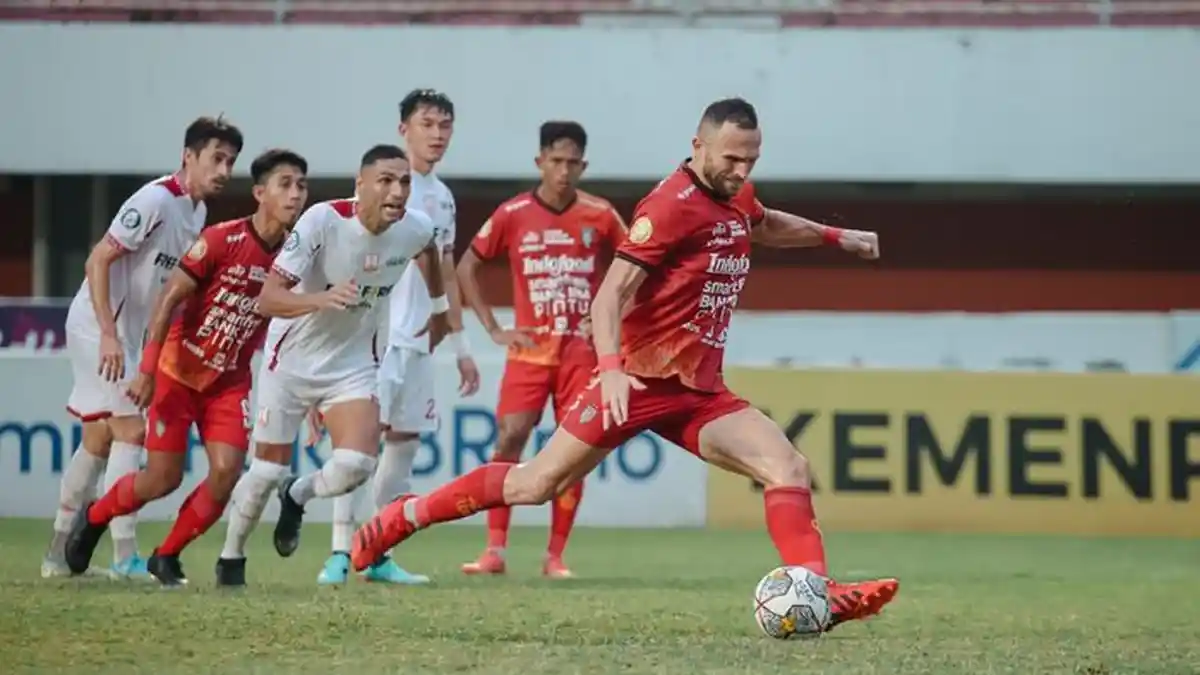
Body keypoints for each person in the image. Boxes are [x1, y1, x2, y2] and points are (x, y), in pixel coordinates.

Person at [350, 98, 900, 630]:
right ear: (698, 146)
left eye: (750, 160)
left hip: (698, 392)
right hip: (634, 383)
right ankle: (404, 516)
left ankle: (815, 591)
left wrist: (835, 236)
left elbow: (761, 221)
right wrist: (610, 368)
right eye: (730, 158)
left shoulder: (736, 193)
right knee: (533, 483)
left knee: (790, 468)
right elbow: (609, 297)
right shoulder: (668, 207)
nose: (740, 170)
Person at [62, 149, 309, 586]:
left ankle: (167, 554)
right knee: (162, 479)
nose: (295, 194)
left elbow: (296, 327)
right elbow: (168, 301)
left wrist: (313, 398)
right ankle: (95, 516)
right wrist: (148, 370)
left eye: (301, 186)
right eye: (285, 184)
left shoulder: (296, 259)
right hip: (178, 372)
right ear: (259, 193)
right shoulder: (219, 240)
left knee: (227, 471)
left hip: (229, 383)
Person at [214, 144, 450, 587]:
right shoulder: (324, 220)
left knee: (358, 464)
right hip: (291, 364)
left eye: (404, 181)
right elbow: (267, 298)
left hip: (354, 364)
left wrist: (439, 310)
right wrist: (321, 298)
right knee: (265, 471)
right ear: (360, 186)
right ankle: (232, 558)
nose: (397, 190)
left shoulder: (415, 228)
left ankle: (298, 495)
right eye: (385, 180)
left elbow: (431, 251)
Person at [43, 116, 242, 580]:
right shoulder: (155, 200)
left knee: (97, 440)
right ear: (187, 157)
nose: (224, 169)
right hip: (99, 327)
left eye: (230, 161)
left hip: (129, 336)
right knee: (133, 432)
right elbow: (99, 257)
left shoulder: (196, 214)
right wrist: (109, 333)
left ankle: (56, 556)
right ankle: (124, 556)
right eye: (216, 158)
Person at [315, 89, 480, 586]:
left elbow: (445, 271)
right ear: (403, 129)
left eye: (445, 125)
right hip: (375, 340)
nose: (437, 134)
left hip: (419, 343)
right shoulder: (378, 191)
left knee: (404, 448)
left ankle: (378, 551)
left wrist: (460, 345)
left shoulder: (444, 199)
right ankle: (341, 552)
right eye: (427, 124)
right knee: (360, 450)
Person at [456, 120, 625, 578]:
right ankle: (495, 551)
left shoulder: (601, 215)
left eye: (573, 163)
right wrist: (493, 328)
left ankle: (555, 556)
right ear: (539, 162)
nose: (564, 171)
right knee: (510, 437)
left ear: (584, 165)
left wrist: (606, 318)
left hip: (580, 353)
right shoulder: (512, 214)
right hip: (528, 350)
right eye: (556, 161)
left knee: (572, 451)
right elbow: (466, 266)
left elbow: (637, 266)